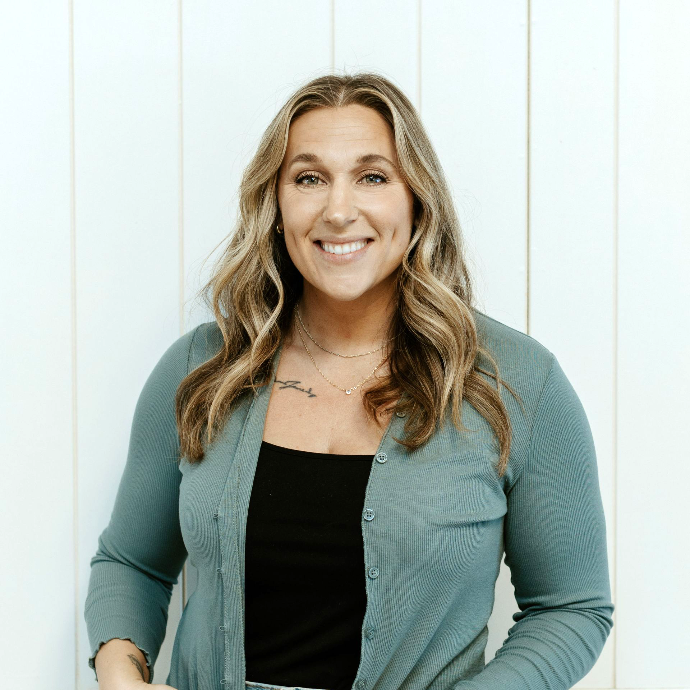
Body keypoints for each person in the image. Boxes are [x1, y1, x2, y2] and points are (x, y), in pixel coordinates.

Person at [84, 72, 614, 690]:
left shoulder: (516, 382)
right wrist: (121, 675)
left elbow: (571, 609)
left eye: (373, 177)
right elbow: (132, 563)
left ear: (417, 201)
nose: (338, 211)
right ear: (275, 205)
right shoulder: (203, 369)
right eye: (309, 178)